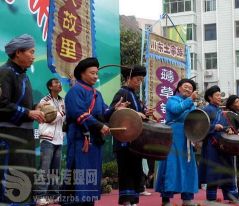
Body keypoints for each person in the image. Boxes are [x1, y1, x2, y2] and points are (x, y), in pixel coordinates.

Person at [63, 57, 123, 205]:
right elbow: (78, 113)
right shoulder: (75, 91)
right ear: (82, 74)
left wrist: (115, 109)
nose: (96, 76)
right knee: (79, 172)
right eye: (92, 73)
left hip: (95, 141)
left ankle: (88, 202)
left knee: (92, 175)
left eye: (97, 73)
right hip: (80, 139)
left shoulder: (97, 93)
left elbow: (103, 112)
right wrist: (99, 126)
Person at [0, 34, 45, 204]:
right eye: (31, 52)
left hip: (24, 136)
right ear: (18, 52)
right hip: (9, 136)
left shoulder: (23, 75)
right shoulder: (5, 73)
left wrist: (34, 109)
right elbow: (2, 104)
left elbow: (18, 103)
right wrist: (27, 113)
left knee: (26, 175)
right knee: (12, 177)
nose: (34, 56)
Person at [109, 65, 152, 206]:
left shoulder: (134, 95)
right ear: (128, 78)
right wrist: (135, 113)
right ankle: (127, 201)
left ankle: (133, 201)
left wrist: (145, 114)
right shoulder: (122, 93)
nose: (139, 83)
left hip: (135, 140)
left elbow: (138, 116)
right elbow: (114, 113)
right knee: (126, 170)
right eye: (137, 80)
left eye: (141, 80)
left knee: (135, 170)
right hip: (123, 140)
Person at [155, 79, 199, 206]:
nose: (188, 89)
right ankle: (166, 199)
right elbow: (175, 110)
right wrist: (190, 100)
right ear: (179, 88)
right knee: (171, 166)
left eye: (190, 88)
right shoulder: (172, 100)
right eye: (185, 87)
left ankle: (187, 199)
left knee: (188, 167)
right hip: (173, 135)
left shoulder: (192, 104)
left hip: (188, 136)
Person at [198, 86, 239, 203]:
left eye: (220, 95)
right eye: (217, 95)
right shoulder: (206, 110)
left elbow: (225, 126)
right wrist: (214, 127)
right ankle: (211, 198)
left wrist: (228, 129)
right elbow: (199, 128)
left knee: (227, 171)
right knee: (213, 171)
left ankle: (232, 197)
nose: (220, 97)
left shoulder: (220, 111)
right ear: (209, 97)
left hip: (224, 146)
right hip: (212, 146)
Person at [35, 78, 65, 205]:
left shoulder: (62, 100)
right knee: (44, 169)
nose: (59, 84)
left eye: (60, 82)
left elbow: (60, 117)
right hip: (47, 138)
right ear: (50, 87)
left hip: (59, 139)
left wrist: (59, 113)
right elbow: (49, 118)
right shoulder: (44, 101)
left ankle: (54, 195)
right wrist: (61, 113)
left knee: (55, 170)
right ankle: (39, 196)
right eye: (56, 83)